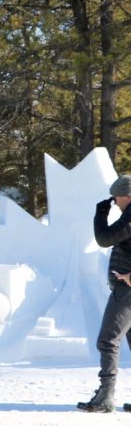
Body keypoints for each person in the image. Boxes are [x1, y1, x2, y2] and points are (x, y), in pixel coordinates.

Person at [77, 175, 131, 413]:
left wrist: (100, 214)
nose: (115, 201)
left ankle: (105, 396)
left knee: (107, 340)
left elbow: (103, 239)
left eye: (116, 196)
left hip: (126, 291)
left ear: (126, 195)